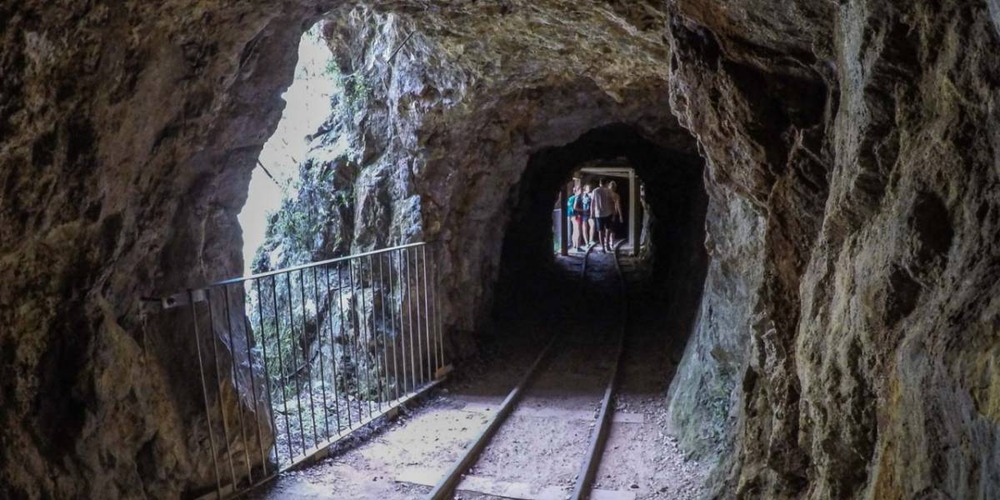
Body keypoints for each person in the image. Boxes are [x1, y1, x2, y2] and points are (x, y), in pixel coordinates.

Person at [590, 178, 615, 253]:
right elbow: (612, 202)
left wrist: (592, 213)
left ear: (600, 183)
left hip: (598, 213)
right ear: (606, 183)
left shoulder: (595, 191)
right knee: (608, 229)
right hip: (608, 212)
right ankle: (607, 245)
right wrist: (613, 212)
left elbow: (592, 203)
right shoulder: (608, 190)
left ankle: (603, 247)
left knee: (600, 231)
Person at [607, 180, 624, 248]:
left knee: (607, 229)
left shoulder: (606, 194)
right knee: (612, 229)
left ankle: (608, 243)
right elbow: (618, 206)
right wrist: (620, 216)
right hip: (613, 213)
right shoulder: (616, 195)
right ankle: (611, 243)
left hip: (606, 213)